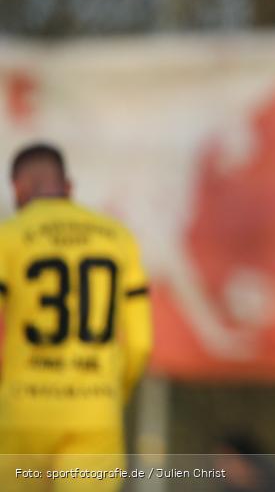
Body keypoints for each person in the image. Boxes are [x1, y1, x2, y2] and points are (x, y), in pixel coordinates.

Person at [0, 143, 153, 492]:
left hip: (24, 411)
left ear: (18, 188)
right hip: (95, 409)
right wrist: (112, 392)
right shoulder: (118, 238)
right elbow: (141, 344)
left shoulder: (7, 237)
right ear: (68, 186)